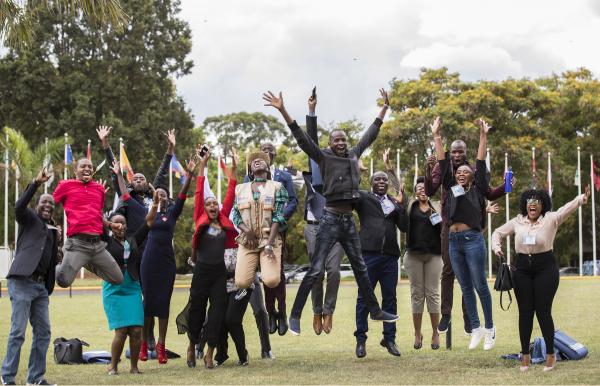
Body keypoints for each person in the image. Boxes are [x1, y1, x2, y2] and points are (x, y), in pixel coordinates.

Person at [263, 88, 398, 335]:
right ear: (329, 144)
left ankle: (376, 311)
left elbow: (370, 135)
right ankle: (294, 316)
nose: (341, 142)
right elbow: (303, 138)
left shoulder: (353, 155)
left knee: (360, 268)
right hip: (330, 219)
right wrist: (283, 109)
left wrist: (384, 109)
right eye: (336, 140)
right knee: (316, 270)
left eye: (343, 139)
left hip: (348, 222)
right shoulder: (323, 158)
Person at [492, 186, 591, 372]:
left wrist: (581, 199)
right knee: (525, 313)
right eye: (529, 200)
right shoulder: (517, 221)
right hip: (521, 269)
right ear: (525, 205)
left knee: (543, 311)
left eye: (537, 201)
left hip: (545, 268)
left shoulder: (551, 219)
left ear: (543, 205)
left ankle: (551, 355)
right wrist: (497, 247)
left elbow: (566, 208)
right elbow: (496, 232)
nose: (533, 203)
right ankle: (525, 356)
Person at [98, 125, 175, 351]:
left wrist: (170, 147)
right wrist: (105, 144)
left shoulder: (155, 197)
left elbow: (163, 170)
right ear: (131, 184)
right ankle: (136, 336)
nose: (140, 179)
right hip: (134, 251)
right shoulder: (127, 199)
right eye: (137, 178)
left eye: (143, 178)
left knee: (152, 296)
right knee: (135, 294)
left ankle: (149, 335)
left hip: (154, 253)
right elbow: (116, 172)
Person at [424, 126, 507, 335]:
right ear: (450, 154)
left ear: (465, 153)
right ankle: (446, 314)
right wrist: (436, 137)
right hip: (449, 229)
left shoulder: (471, 172)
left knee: (467, 276)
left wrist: (506, 187)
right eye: (454, 152)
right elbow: (431, 188)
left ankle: (469, 318)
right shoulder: (446, 173)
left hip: (471, 231)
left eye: (461, 152)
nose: (458, 156)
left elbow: (487, 191)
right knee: (448, 271)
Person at [1, 167, 60, 386]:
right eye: (44, 202)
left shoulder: (53, 230)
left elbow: (52, 260)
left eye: (51, 204)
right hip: (22, 281)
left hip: (40, 287)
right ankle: (7, 378)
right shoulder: (29, 219)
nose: (48, 205)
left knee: (43, 332)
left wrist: (59, 245)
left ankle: (35, 379)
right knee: (18, 332)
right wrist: (35, 184)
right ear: (37, 206)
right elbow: (18, 206)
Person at [138, 153, 196, 364]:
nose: (160, 195)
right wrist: (153, 203)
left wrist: (188, 174)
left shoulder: (171, 213)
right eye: (157, 193)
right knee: (147, 304)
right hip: (149, 261)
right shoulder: (151, 212)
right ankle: (144, 344)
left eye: (163, 194)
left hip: (166, 263)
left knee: (163, 304)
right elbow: (148, 222)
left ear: (167, 198)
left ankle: (161, 345)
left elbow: (182, 194)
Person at [102, 160, 159, 375]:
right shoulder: (106, 242)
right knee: (121, 331)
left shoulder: (133, 240)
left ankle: (134, 367)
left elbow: (149, 222)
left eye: (123, 223)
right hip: (114, 290)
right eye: (116, 223)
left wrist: (154, 205)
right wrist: (108, 222)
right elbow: (97, 220)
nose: (120, 226)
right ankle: (113, 366)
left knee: (136, 330)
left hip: (132, 288)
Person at [185, 147, 238, 369]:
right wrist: (203, 163)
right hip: (201, 272)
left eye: (215, 203)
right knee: (196, 312)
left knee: (216, 314)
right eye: (209, 204)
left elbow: (231, 193)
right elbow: (199, 189)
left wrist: (234, 168)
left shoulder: (224, 218)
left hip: (218, 273)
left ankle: (209, 353)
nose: (213, 205)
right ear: (204, 208)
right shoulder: (199, 216)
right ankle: (191, 345)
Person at [243, 142, 298, 336]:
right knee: (264, 274)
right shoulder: (249, 176)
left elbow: (293, 200)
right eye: (263, 151)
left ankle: (282, 313)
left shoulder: (283, 176)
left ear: (273, 156)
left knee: (278, 272)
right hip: (256, 233)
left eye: (270, 151)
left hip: (277, 230)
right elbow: (243, 201)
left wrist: (280, 217)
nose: (267, 154)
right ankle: (270, 312)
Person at [353, 170, 406, 358]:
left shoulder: (393, 202)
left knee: (390, 298)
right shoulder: (363, 198)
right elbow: (350, 192)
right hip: (368, 255)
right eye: (378, 179)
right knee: (364, 298)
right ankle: (361, 340)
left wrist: (401, 204)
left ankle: (390, 339)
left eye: (384, 179)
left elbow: (404, 226)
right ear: (371, 182)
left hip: (390, 257)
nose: (382, 181)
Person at [303, 92, 343, 335]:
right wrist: (311, 111)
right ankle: (316, 312)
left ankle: (329, 312)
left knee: (335, 272)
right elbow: (310, 138)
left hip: (336, 224)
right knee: (316, 273)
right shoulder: (318, 163)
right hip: (313, 227)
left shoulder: (345, 165)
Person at [53, 157, 123, 288]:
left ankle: (84, 261)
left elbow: (97, 215)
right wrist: (52, 225)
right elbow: (50, 204)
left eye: (90, 167)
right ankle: (59, 262)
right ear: (75, 170)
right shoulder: (65, 185)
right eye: (83, 166)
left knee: (117, 278)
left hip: (97, 245)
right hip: (77, 244)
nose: (87, 169)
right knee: (63, 282)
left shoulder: (99, 189)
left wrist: (110, 224)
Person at [232, 152, 288, 290]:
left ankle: (263, 265)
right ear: (250, 169)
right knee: (241, 282)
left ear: (268, 168)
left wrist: (269, 245)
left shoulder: (277, 187)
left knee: (271, 280)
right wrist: (247, 231)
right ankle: (253, 277)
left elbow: (278, 216)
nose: (257, 161)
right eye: (253, 161)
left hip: (270, 239)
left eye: (261, 160)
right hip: (248, 240)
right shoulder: (240, 189)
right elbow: (236, 215)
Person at [402, 177, 443, 351]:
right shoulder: (410, 206)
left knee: (433, 295)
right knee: (417, 295)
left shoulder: (437, 206)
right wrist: (389, 170)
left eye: (424, 187)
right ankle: (417, 333)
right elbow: (399, 190)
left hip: (434, 256)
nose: (422, 190)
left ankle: (435, 333)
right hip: (414, 256)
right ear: (415, 192)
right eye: (418, 188)